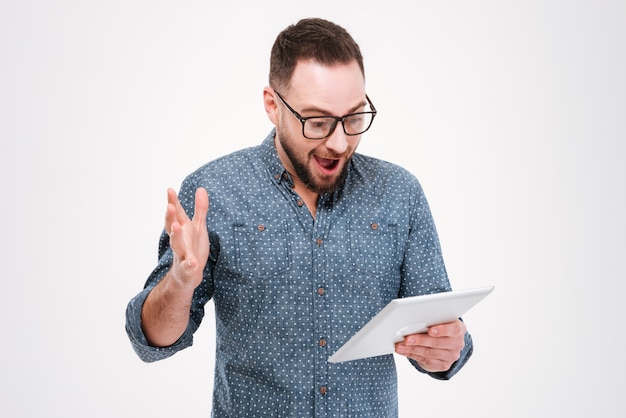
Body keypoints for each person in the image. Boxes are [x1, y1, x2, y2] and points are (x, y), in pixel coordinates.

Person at [126, 17, 473, 417]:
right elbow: (152, 341)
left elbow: (442, 332)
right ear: (273, 106)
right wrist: (180, 282)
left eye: (354, 117)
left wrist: (448, 348)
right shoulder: (213, 192)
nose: (340, 142)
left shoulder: (400, 194)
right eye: (318, 121)